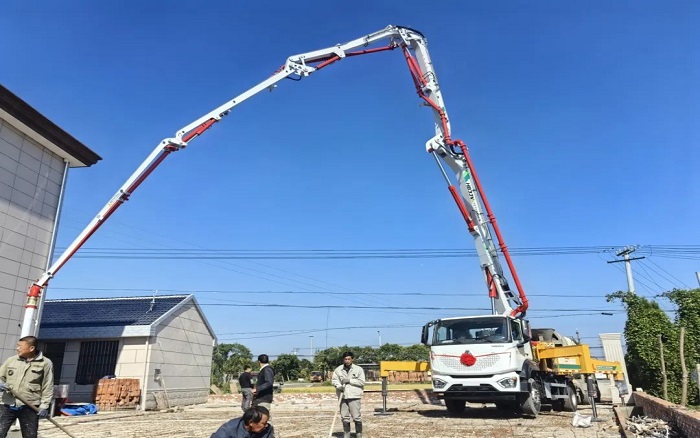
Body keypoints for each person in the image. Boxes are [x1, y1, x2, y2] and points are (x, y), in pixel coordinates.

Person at [0, 336, 54, 438]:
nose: (17, 348)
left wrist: (44, 406)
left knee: (30, 435)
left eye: (20, 346)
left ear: (31, 348)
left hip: (30, 406)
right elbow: (1, 377)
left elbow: (48, 385)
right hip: (7, 404)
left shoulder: (45, 363)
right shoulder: (11, 360)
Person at [332, 351, 365, 438]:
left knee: (356, 416)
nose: (347, 361)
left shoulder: (358, 369)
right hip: (342, 396)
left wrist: (350, 381)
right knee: (344, 417)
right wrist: (339, 386)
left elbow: (362, 382)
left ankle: (359, 434)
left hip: (354, 396)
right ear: (343, 360)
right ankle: (347, 434)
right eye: (345, 359)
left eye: (349, 359)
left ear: (352, 359)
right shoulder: (338, 370)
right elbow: (334, 380)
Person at [210, 405, 274, 438]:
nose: (266, 425)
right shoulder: (229, 429)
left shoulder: (267, 430)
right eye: (264, 423)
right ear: (251, 422)